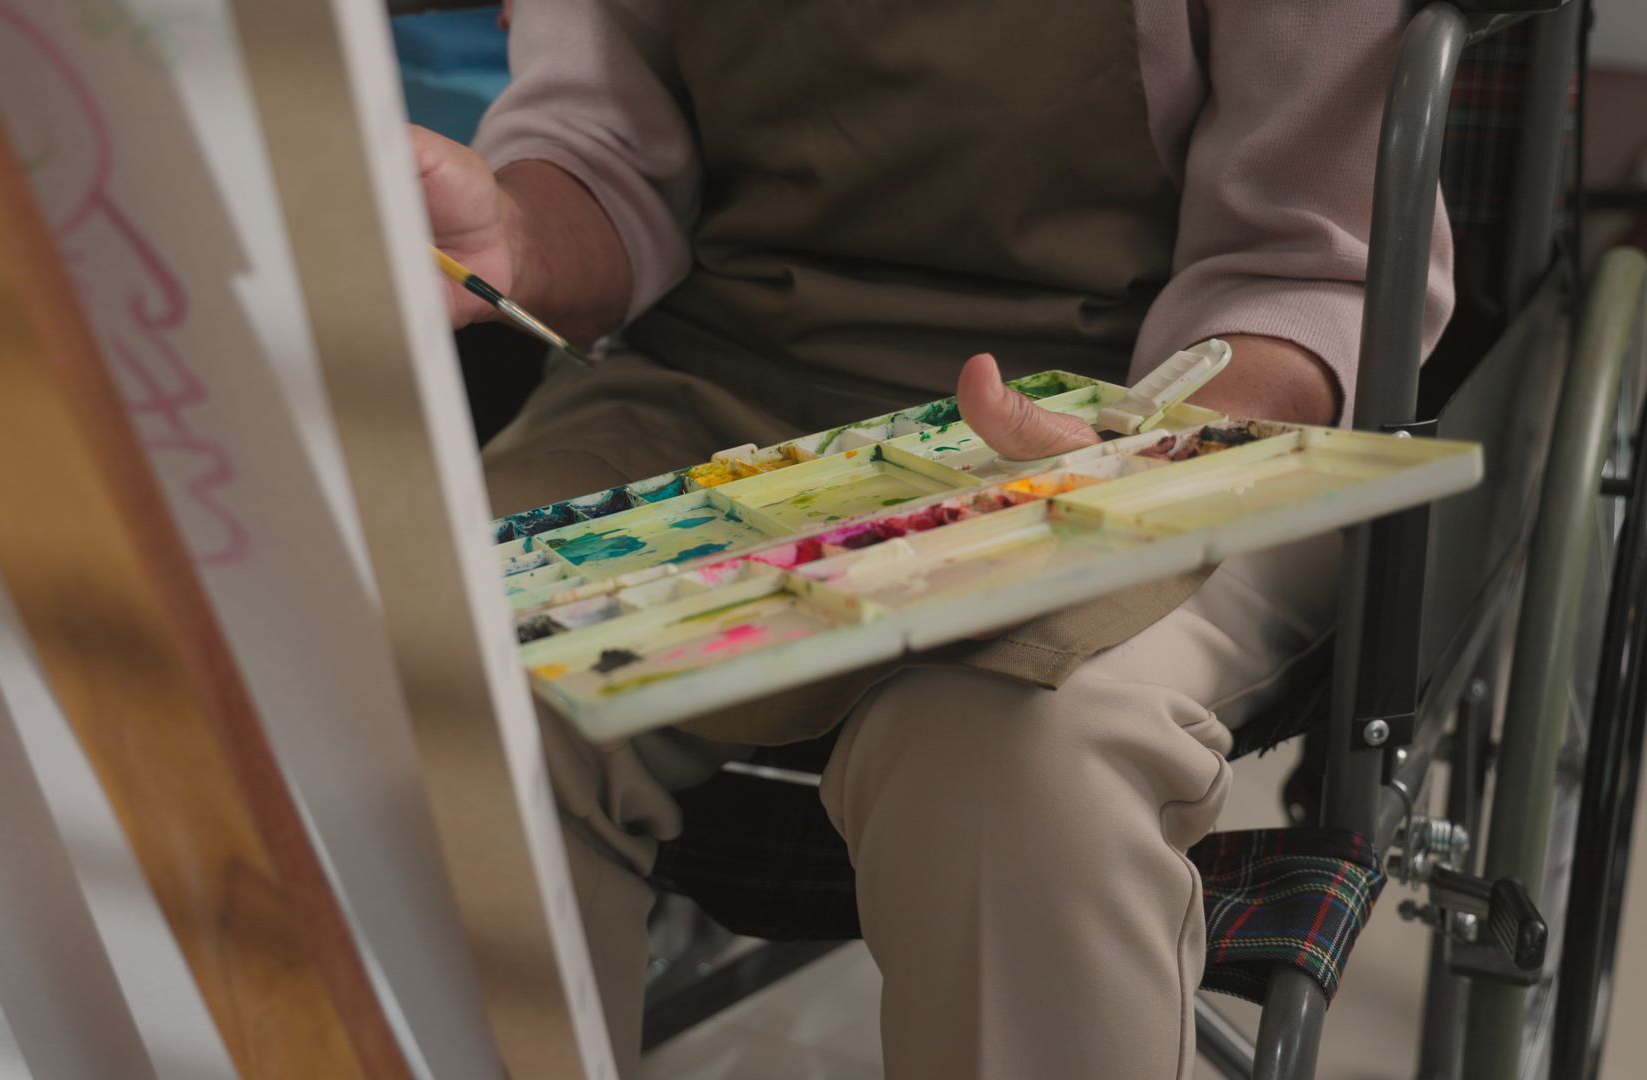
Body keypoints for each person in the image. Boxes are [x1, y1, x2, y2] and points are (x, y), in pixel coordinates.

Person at [415, 2, 1453, 1076]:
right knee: (430, 677)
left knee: (1019, 755)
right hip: (719, 378)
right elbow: (606, 153)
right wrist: (516, 234)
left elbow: (1310, 260)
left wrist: (1147, 446)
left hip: (1162, 407)